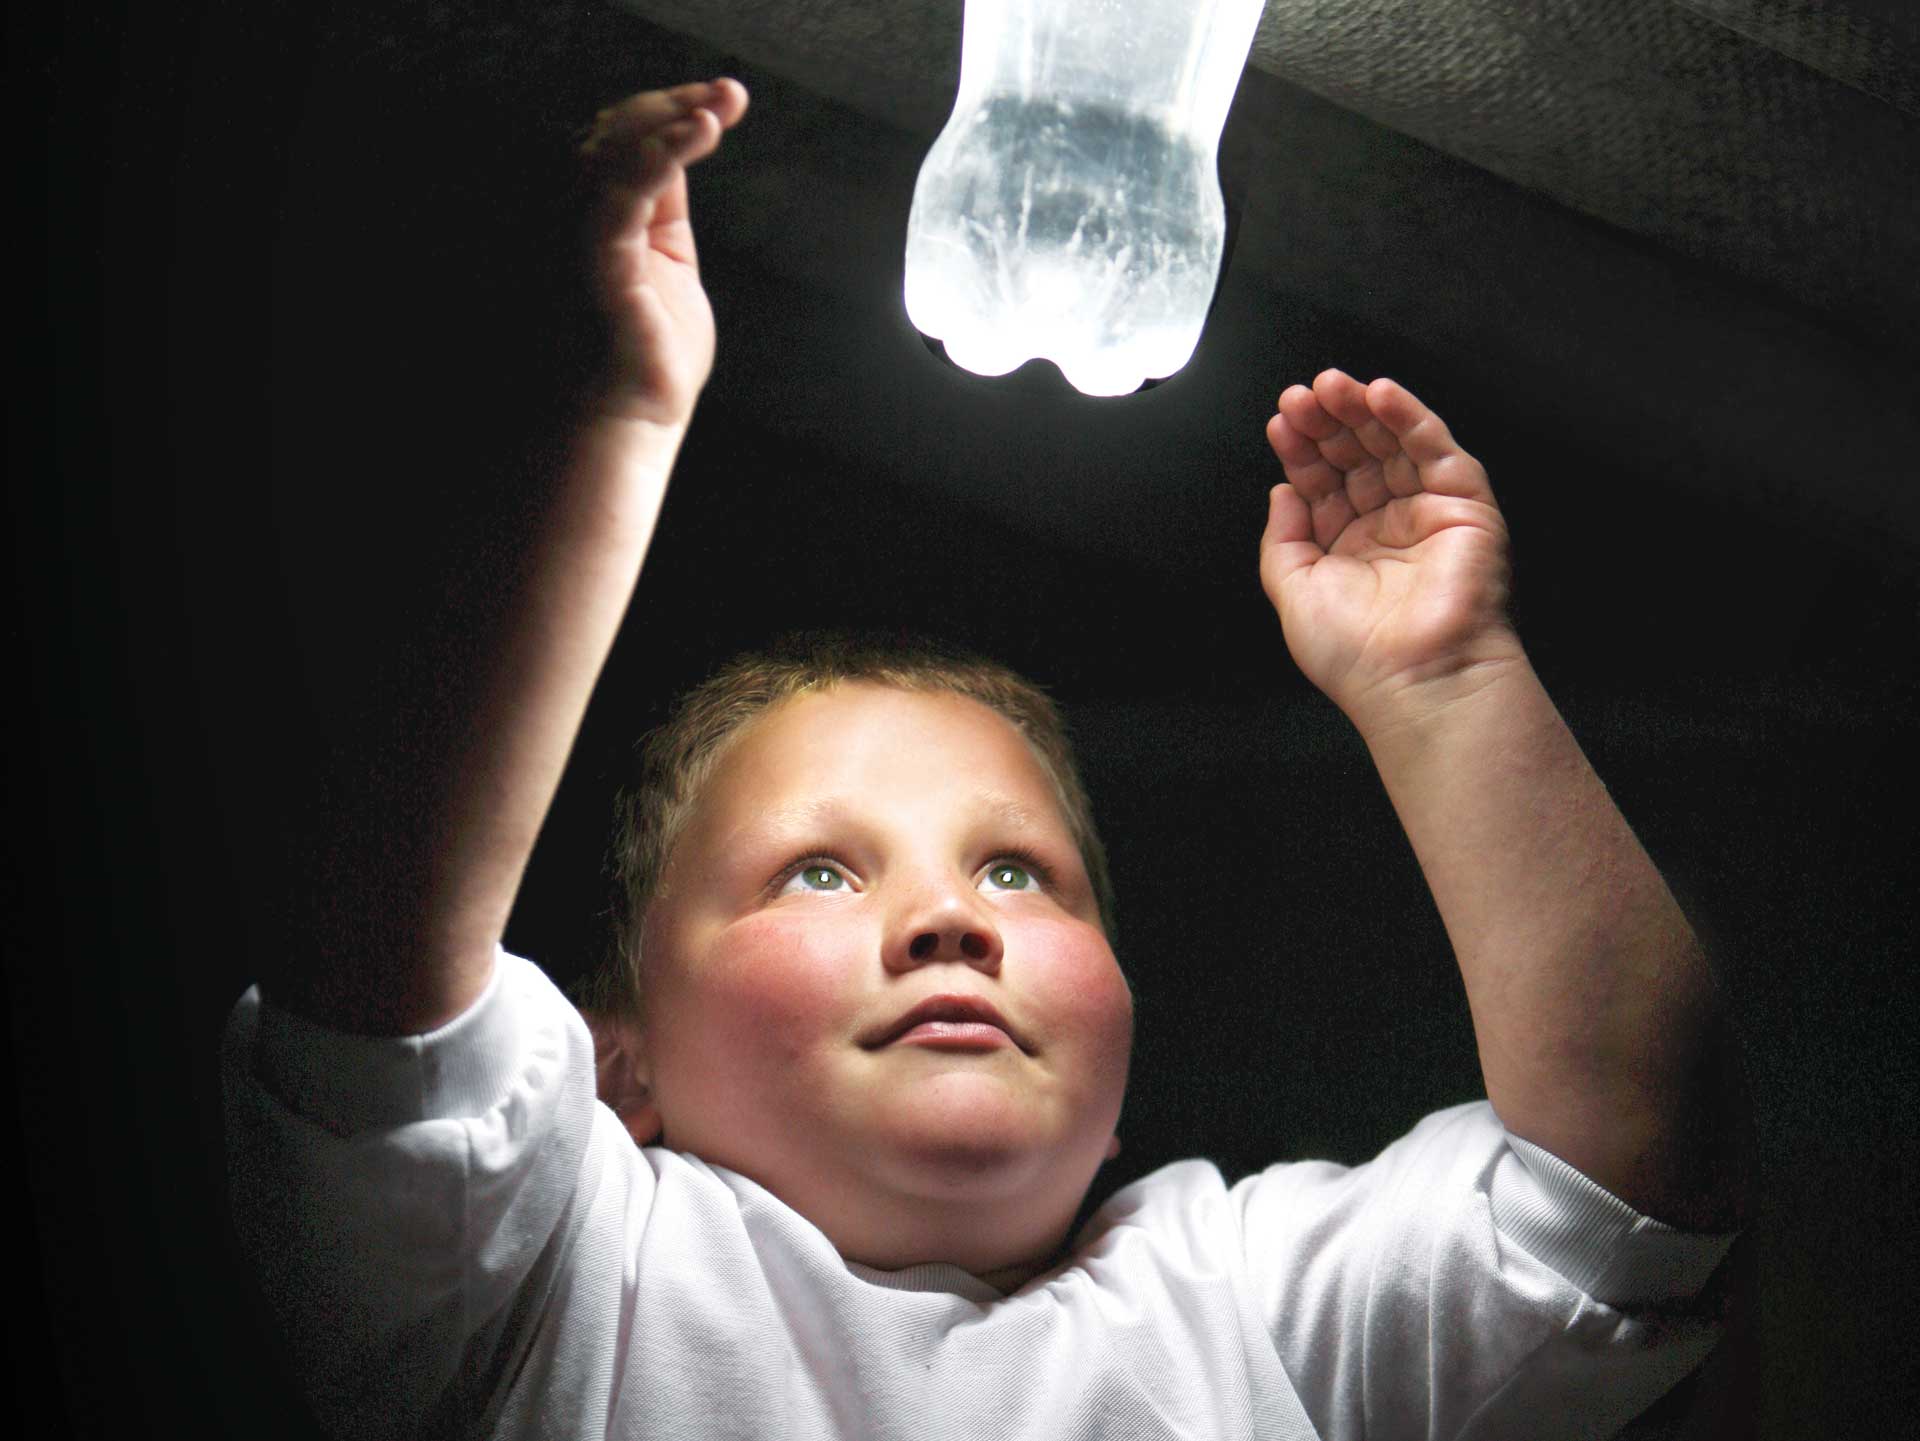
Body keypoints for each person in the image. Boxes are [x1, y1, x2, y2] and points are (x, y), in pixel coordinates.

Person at [222, 77, 1751, 1439]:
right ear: (613, 1063)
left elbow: (1625, 1168)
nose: (953, 917)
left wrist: (1446, 679)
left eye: (1020, 870)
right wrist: (613, 416)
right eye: (817, 869)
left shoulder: (1245, 1300)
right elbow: (381, 987)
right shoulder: (564, 1269)